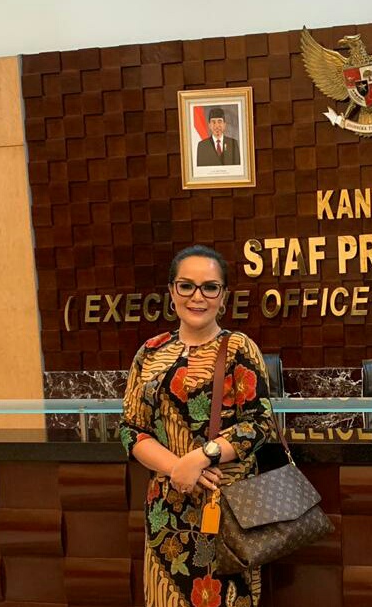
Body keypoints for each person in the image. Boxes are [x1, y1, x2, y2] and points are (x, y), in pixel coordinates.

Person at [121, 245, 276, 607]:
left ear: (223, 297)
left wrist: (202, 456)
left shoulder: (238, 348)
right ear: (172, 291)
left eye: (209, 287)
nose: (197, 296)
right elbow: (131, 428)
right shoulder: (150, 352)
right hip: (167, 511)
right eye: (186, 285)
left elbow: (258, 424)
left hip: (228, 509)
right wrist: (178, 466)